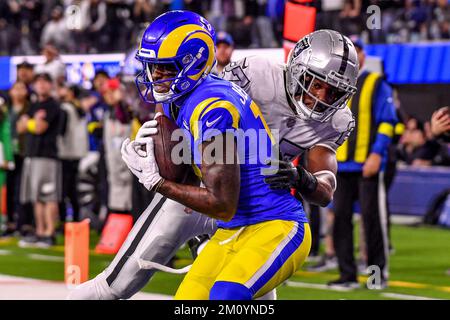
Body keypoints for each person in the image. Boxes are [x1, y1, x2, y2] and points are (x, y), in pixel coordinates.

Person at [67, 22, 358, 300]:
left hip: (259, 206)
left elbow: (326, 185)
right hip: (203, 185)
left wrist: (302, 178)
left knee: (243, 292)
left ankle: (205, 242)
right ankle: (198, 241)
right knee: (119, 281)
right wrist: (162, 128)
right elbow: (187, 92)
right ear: (296, 67)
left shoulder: (337, 120)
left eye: (334, 92)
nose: (321, 97)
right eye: (315, 83)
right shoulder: (256, 74)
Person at [330, 37, 397, 289]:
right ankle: (347, 275)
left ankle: (377, 275)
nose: (353, 56)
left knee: (372, 221)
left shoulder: (376, 82)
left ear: (363, 56)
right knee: (340, 220)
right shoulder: (335, 85)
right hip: (340, 166)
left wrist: (377, 154)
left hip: (367, 165)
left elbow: (388, 122)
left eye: (357, 51)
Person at [16, 73, 62, 248]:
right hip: (32, 156)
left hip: (47, 157)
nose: (41, 85)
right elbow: (20, 127)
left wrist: (30, 122)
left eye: (45, 82)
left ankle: (50, 233)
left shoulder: (53, 105)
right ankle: (40, 232)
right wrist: (32, 122)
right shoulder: (33, 105)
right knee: (36, 197)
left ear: (50, 85)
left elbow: (40, 128)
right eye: (38, 82)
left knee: (49, 197)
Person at [57, 83, 88, 223]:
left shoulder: (66, 108)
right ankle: (75, 219)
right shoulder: (80, 108)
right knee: (73, 189)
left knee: (63, 190)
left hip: (65, 153)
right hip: (78, 153)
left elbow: (60, 131)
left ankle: (64, 221)